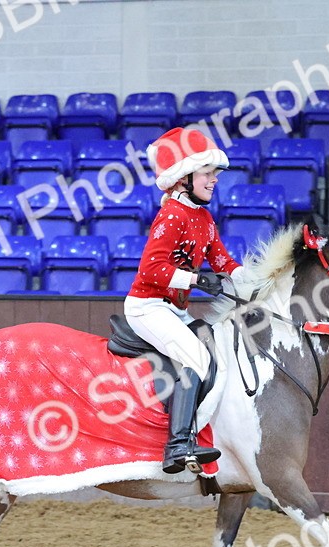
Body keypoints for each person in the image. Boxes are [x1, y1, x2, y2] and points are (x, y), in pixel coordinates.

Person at [126, 127, 241, 474]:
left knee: (218, 350)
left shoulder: (204, 218)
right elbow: (151, 270)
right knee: (195, 356)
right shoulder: (172, 214)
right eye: (207, 173)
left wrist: (261, 281)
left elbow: (224, 263)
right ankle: (177, 445)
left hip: (175, 311)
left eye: (215, 174)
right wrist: (196, 279)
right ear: (183, 178)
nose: (214, 180)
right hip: (147, 307)